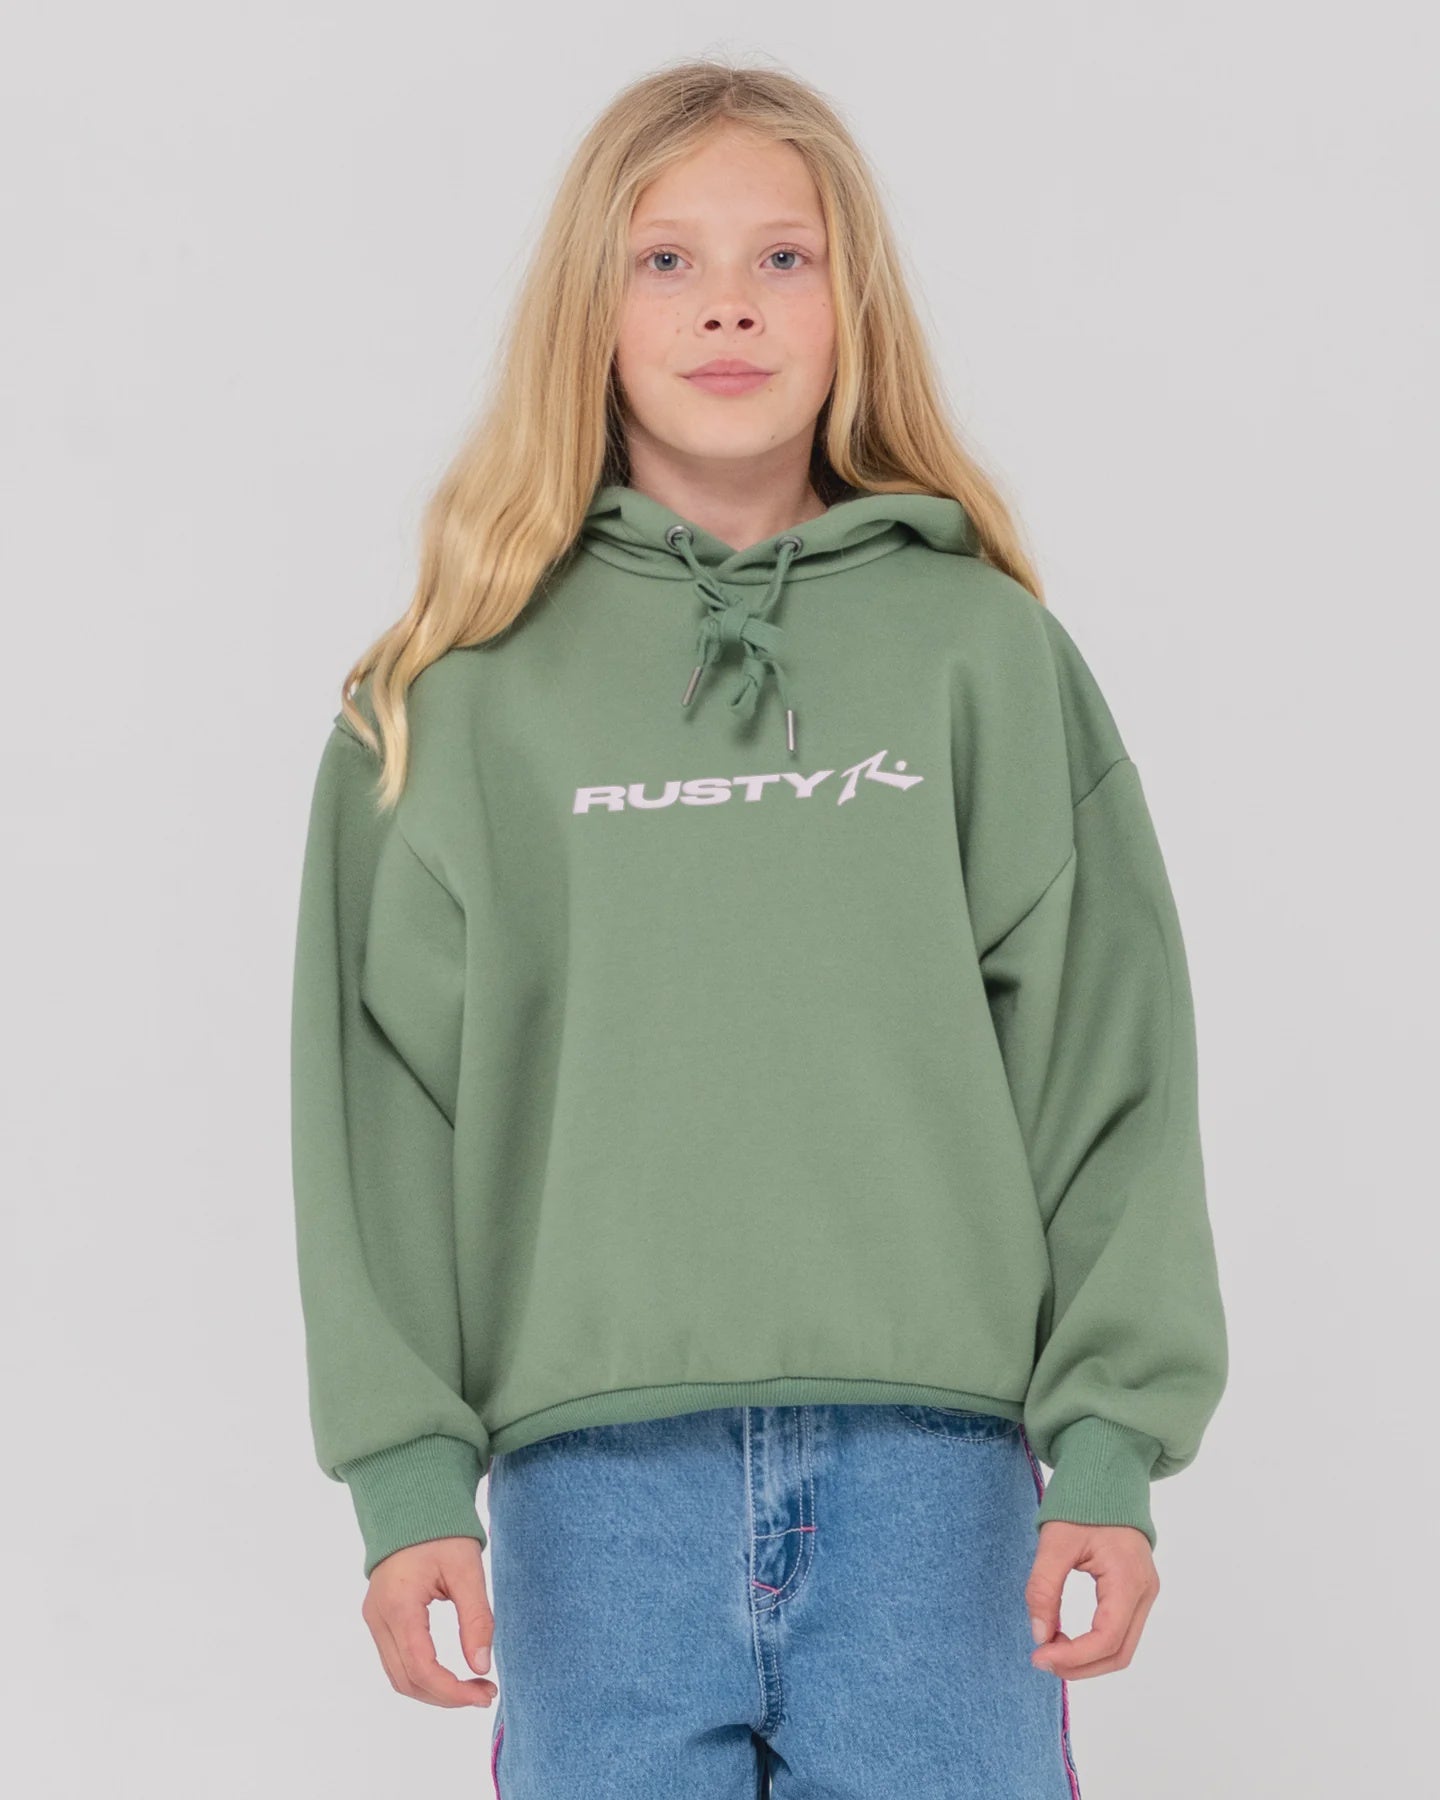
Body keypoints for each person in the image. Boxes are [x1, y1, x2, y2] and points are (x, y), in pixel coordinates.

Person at [288, 58, 1228, 1799]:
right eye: (666, 259)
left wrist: (1109, 1445)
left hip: (940, 1495)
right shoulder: (456, 698)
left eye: (784, 257)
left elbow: (1110, 1067)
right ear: (591, 309)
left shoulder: (981, 654)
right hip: (592, 1506)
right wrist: (407, 1481)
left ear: (852, 304)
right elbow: (377, 1119)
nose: (728, 301)